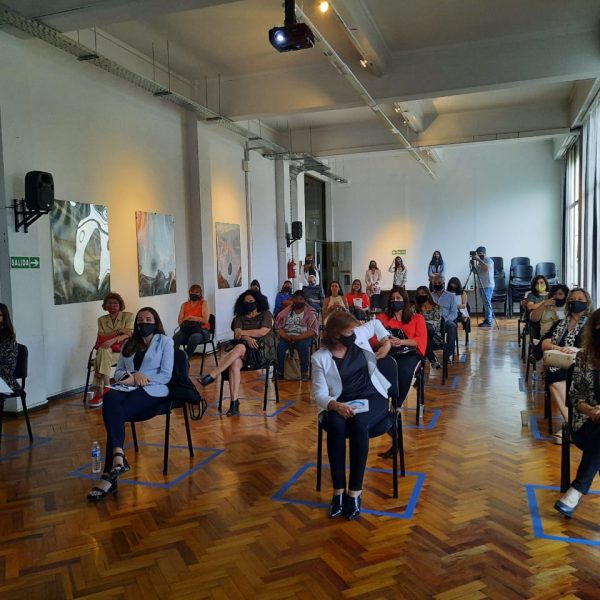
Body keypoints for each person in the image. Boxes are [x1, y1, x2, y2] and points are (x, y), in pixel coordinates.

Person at [87, 307, 174, 501]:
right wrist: (131, 376)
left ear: (156, 322)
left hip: (153, 390)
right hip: (127, 387)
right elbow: (118, 372)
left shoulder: (165, 342)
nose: (144, 323)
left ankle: (109, 476)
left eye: (148, 319)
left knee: (115, 416)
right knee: (110, 397)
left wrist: (141, 378)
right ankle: (118, 454)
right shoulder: (129, 343)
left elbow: (166, 375)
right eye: (140, 320)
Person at [311, 312, 391, 520]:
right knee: (335, 426)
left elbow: (375, 324)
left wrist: (386, 342)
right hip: (340, 401)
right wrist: (335, 405)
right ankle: (338, 491)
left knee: (359, 424)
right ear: (336, 334)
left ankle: (354, 492)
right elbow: (319, 393)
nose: (353, 334)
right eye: (348, 332)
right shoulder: (320, 357)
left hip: (372, 395)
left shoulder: (358, 336)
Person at [199, 290, 275, 416]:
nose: (249, 304)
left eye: (251, 301)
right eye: (246, 302)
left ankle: (213, 375)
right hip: (244, 351)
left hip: (261, 352)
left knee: (239, 348)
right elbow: (237, 334)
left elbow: (262, 332)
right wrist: (247, 338)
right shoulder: (239, 317)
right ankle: (234, 403)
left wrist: (243, 333)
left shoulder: (266, 314)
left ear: (258, 301)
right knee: (235, 362)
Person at [554, 309, 600, 518]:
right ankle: (576, 491)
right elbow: (575, 396)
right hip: (585, 423)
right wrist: (591, 410)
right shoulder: (584, 357)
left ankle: (576, 491)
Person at [541, 287, 593, 444]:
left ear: (587, 303)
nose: (575, 302)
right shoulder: (561, 323)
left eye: (580, 300)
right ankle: (573, 426)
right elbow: (544, 343)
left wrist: (579, 350)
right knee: (553, 375)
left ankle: (573, 428)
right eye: (572, 300)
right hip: (561, 363)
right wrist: (559, 348)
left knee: (566, 376)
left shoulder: (592, 324)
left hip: (585, 365)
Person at [376, 287, 427, 403]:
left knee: (404, 371)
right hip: (387, 352)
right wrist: (387, 342)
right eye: (392, 298)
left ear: (405, 300)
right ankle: (382, 404)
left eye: (398, 298)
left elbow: (420, 340)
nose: (395, 300)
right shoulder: (381, 318)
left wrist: (401, 342)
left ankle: (397, 405)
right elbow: (373, 340)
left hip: (409, 353)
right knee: (380, 369)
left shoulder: (417, 318)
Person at [89, 293, 135, 408]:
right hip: (107, 352)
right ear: (105, 305)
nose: (112, 305)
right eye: (109, 303)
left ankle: (100, 391)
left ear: (120, 304)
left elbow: (129, 334)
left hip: (122, 353)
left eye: (115, 303)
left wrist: (112, 339)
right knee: (103, 351)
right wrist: (119, 331)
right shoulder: (101, 320)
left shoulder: (128, 316)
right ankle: (107, 386)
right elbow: (102, 336)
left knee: (100, 357)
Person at [275, 291, 319, 381]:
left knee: (302, 345)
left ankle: (304, 372)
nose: (298, 301)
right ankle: (279, 372)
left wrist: (298, 337)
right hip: (288, 336)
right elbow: (278, 327)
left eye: (301, 299)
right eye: (296, 299)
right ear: (293, 300)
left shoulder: (310, 313)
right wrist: (285, 336)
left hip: (304, 336)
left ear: (305, 300)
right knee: (281, 346)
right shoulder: (285, 312)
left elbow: (313, 330)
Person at [173, 284, 211, 358]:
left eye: (197, 292)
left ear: (200, 294)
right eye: (192, 292)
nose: (194, 294)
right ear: (189, 293)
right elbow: (180, 321)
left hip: (202, 330)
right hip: (186, 330)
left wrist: (192, 318)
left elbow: (205, 320)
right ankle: (174, 359)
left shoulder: (203, 303)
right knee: (176, 337)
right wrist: (186, 319)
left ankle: (184, 358)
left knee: (194, 338)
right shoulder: (184, 305)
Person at [411, 286, 443, 368]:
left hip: (435, 337)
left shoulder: (436, 307)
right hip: (420, 337)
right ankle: (433, 360)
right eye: (418, 294)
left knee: (423, 326)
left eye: (422, 293)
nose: (420, 295)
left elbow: (436, 324)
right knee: (423, 339)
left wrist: (421, 324)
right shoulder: (414, 309)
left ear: (428, 295)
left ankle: (426, 361)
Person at [430, 275, 458, 361]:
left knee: (452, 326)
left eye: (439, 283)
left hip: (446, 320)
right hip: (433, 320)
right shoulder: (430, 296)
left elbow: (454, 313)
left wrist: (444, 320)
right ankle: (429, 352)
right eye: (435, 283)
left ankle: (448, 353)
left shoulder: (451, 296)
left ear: (443, 283)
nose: (437, 284)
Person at [471, 246, 495, 327]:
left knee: (487, 303)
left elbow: (486, 268)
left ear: (484, 253)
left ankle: (489, 321)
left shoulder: (488, 260)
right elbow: (475, 272)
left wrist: (478, 259)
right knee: (485, 303)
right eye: (477, 254)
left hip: (488, 285)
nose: (478, 255)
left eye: (480, 253)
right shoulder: (479, 263)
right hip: (481, 285)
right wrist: (472, 264)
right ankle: (487, 319)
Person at [0, 303, 19, 393]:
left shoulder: (8, 338)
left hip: (5, 378)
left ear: (4, 318)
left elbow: (8, 367)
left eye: (0, 315)